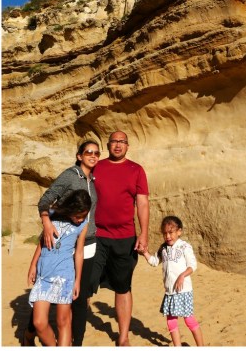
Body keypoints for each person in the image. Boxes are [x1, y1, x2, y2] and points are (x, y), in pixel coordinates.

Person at [23, 140, 100, 347]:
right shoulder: (69, 175)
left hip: (85, 243)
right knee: (44, 313)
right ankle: (31, 333)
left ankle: (76, 344)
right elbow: (45, 200)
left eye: (96, 153)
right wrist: (47, 222)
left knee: (80, 299)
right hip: (55, 244)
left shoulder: (93, 179)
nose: (92, 155)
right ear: (79, 155)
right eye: (88, 152)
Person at [90, 130, 149, 347]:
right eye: (114, 141)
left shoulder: (136, 170)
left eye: (122, 142)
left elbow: (142, 203)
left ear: (127, 146)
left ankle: (123, 336)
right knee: (87, 283)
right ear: (108, 145)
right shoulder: (97, 167)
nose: (117, 145)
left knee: (123, 287)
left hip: (125, 238)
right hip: (96, 236)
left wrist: (143, 233)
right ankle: (73, 333)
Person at [27, 190, 92, 346]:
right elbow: (43, 242)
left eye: (84, 215)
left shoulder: (83, 224)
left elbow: (79, 252)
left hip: (65, 276)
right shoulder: (51, 215)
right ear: (70, 208)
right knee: (39, 323)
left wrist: (77, 281)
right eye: (78, 215)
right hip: (44, 275)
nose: (80, 219)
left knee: (63, 321)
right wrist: (33, 265)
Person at [140, 216, 205, 347]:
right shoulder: (163, 248)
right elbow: (154, 261)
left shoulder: (185, 247)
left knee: (189, 320)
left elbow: (193, 265)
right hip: (170, 292)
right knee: (171, 321)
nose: (168, 236)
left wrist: (182, 275)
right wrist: (145, 253)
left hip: (183, 291)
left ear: (179, 231)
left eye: (171, 232)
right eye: (165, 233)